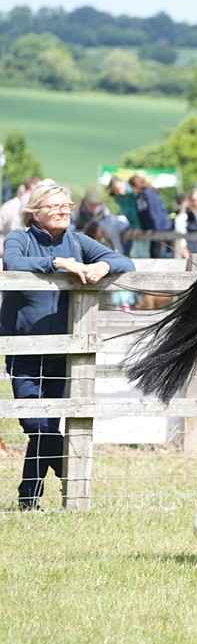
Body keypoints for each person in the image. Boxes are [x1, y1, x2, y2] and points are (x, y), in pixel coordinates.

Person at [1, 184, 135, 510]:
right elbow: (14, 262)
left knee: (48, 426)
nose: (65, 210)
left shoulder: (77, 240)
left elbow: (124, 262)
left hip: (65, 351)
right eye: (56, 206)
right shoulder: (20, 237)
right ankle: (72, 475)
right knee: (35, 423)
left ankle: (28, 500)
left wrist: (102, 266)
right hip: (25, 348)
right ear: (36, 211)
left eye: (68, 205)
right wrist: (61, 265)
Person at [127, 174, 174, 258]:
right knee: (153, 253)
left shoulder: (149, 193)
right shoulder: (139, 196)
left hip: (159, 228)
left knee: (158, 253)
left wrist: (154, 229)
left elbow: (155, 212)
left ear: (135, 185)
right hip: (151, 229)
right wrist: (144, 229)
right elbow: (142, 215)